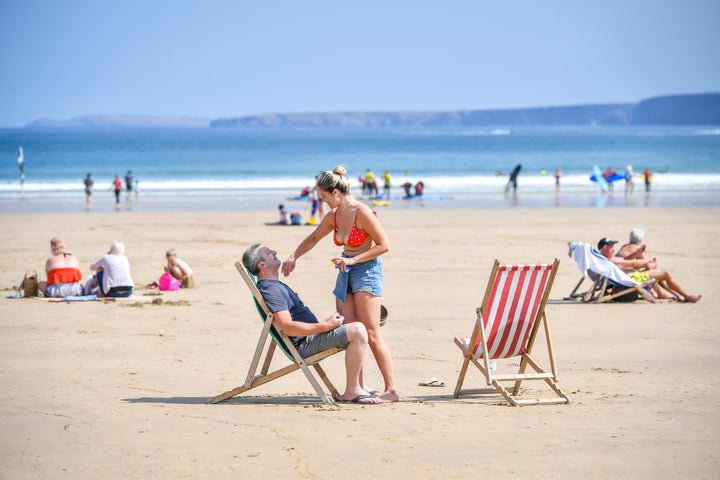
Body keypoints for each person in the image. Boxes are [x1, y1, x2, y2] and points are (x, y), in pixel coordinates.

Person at [281, 166, 398, 402]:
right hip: (346, 272)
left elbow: (384, 245)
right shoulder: (333, 216)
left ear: (335, 192)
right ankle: (359, 387)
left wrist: (354, 259)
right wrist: (294, 256)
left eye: (324, 196)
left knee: (372, 333)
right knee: (356, 332)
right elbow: (314, 237)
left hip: (367, 271)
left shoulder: (362, 212)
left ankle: (391, 390)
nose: (322, 201)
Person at [243, 243, 382, 404]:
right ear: (262, 265)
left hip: (310, 336)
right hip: (305, 344)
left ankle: (359, 385)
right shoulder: (271, 290)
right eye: (268, 252)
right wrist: (324, 326)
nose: (274, 251)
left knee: (357, 326)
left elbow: (295, 321)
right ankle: (352, 391)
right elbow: (287, 326)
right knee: (358, 330)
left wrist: (327, 322)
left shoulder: (275, 286)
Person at [597, 237, 701, 303]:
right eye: (610, 246)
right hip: (633, 279)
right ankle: (686, 296)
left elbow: (625, 259)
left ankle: (667, 295)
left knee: (655, 274)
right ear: (604, 249)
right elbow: (632, 263)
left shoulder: (607, 259)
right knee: (665, 274)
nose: (613, 248)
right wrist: (648, 260)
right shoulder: (609, 260)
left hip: (631, 277)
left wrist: (637, 253)